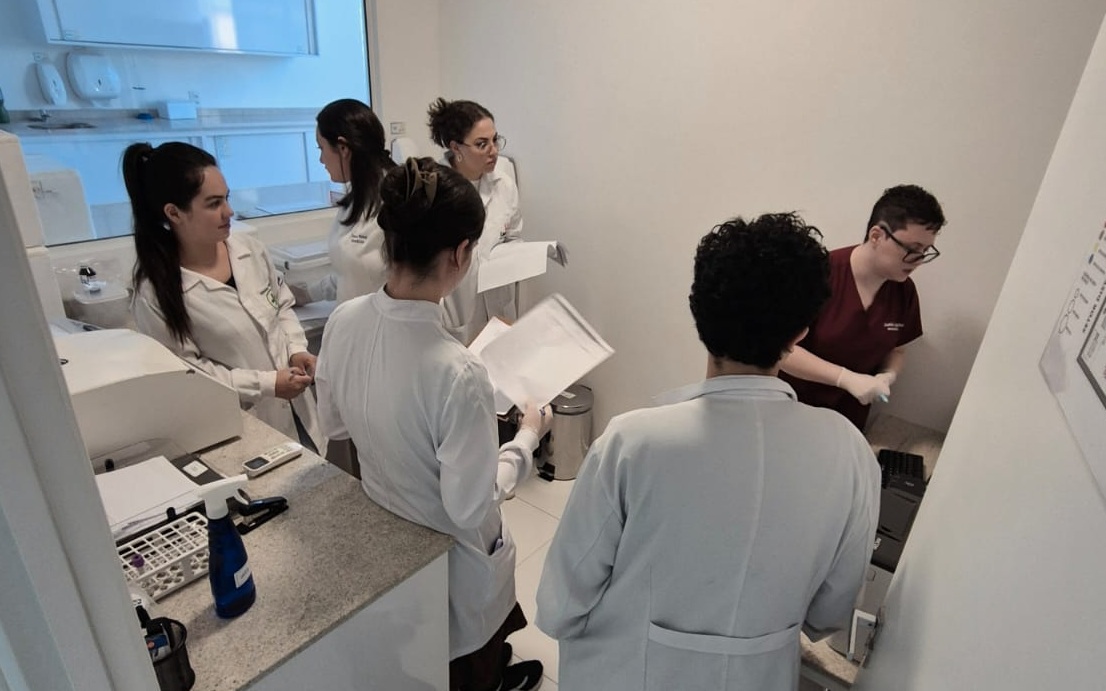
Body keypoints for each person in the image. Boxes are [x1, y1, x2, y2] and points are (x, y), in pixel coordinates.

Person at [535, 213, 881, 691]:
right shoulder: (850, 453)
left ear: (699, 316)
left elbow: (564, 598)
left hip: (624, 673)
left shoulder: (633, 443)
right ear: (801, 333)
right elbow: (829, 614)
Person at [314, 157, 550, 691]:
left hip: (388, 526)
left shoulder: (344, 320)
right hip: (451, 550)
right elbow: (469, 505)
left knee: (423, 652)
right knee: (463, 651)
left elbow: (334, 423)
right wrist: (527, 436)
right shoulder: (458, 372)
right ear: (461, 253)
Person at [125, 142, 323, 453]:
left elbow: (281, 305)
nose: (229, 211)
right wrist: (266, 384)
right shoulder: (155, 293)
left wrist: (297, 349)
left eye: (226, 198)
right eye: (214, 203)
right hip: (242, 427)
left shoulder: (248, 250)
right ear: (174, 213)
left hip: (300, 412)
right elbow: (190, 374)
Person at [778, 184, 946, 430]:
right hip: (790, 409)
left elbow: (897, 350)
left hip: (847, 421)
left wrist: (887, 375)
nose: (918, 260)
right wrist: (844, 378)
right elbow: (779, 350)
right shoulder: (819, 273)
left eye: (925, 251)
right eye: (912, 249)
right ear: (876, 235)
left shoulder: (904, 291)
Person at [427, 97, 522, 343]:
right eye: (482, 144)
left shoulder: (504, 185)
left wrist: (523, 254)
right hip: (456, 311)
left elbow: (512, 236)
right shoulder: (434, 192)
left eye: (495, 140)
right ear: (456, 148)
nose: (494, 151)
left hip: (499, 307)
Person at [291, 98, 394, 305]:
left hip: (385, 321)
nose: (321, 160)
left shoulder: (395, 202)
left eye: (321, 148)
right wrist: (306, 294)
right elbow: (350, 273)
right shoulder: (357, 199)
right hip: (353, 319)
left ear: (343, 148)